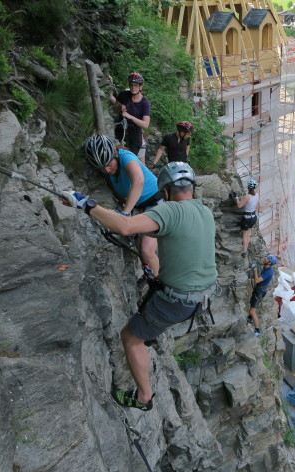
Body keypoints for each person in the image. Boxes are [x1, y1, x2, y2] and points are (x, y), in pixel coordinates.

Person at [63, 162, 217, 411]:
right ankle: (152, 331)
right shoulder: (204, 211)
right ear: (191, 187)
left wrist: (85, 204)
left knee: (131, 338)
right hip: (204, 296)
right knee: (152, 306)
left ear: (165, 191)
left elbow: (125, 226)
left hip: (178, 301)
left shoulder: (170, 211)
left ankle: (144, 398)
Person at [84, 134, 162, 274]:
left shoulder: (126, 156)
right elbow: (118, 194)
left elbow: (138, 180)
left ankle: (161, 287)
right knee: (140, 248)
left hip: (157, 203)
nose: (107, 170)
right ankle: (150, 277)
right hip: (141, 208)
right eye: (102, 168)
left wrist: (125, 214)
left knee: (147, 250)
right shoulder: (107, 172)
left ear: (114, 155)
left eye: (109, 164)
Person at [108, 72, 150, 155]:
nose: (133, 88)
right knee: (115, 156)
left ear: (141, 87)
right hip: (120, 131)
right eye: (131, 85)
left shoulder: (145, 103)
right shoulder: (124, 95)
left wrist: (130, 117)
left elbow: (145, 124)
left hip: (134, 136)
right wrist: (120, 106)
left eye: (136, 85)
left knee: (128, 158)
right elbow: (114, 109)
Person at [247, 255, 277, 337]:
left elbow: (256, 280)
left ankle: (257, 330)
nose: (265, 258)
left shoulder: (269, 272)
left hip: (259, 292)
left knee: (252, 311)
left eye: (267, 258)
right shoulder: (266, 267)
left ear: (269, 262)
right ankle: (250, 318)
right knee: (252, 307)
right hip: (260, 290)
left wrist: (255, 269)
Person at [236, 179, 259, 258]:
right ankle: (246, 249)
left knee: (245, 235)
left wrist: (236, 198)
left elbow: (239, 205)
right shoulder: (257, 195)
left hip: (247, 218)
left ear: (248, 187)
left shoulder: (247, 196)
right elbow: (256, 206)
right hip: (253, 217)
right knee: (248, 234)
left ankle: (245, 251)